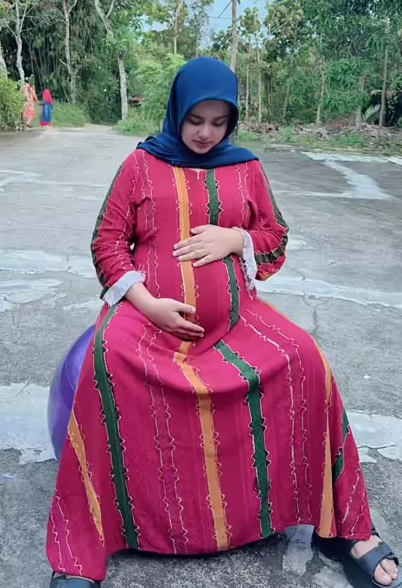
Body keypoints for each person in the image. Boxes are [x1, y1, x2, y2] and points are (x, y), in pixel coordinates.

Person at [47, 57, 400, 588]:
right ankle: (85, 545)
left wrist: (237, 238)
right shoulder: (141, 164)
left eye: (219, 122)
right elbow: (108, 242)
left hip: (237, 320)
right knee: (104, 362)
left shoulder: (246, 167)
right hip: (148, 320)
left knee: (307, 359)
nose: (206, 133)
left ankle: (343, 525)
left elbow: (275, 236)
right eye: (196, 120)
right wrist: (148, 303)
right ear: (177, 112)